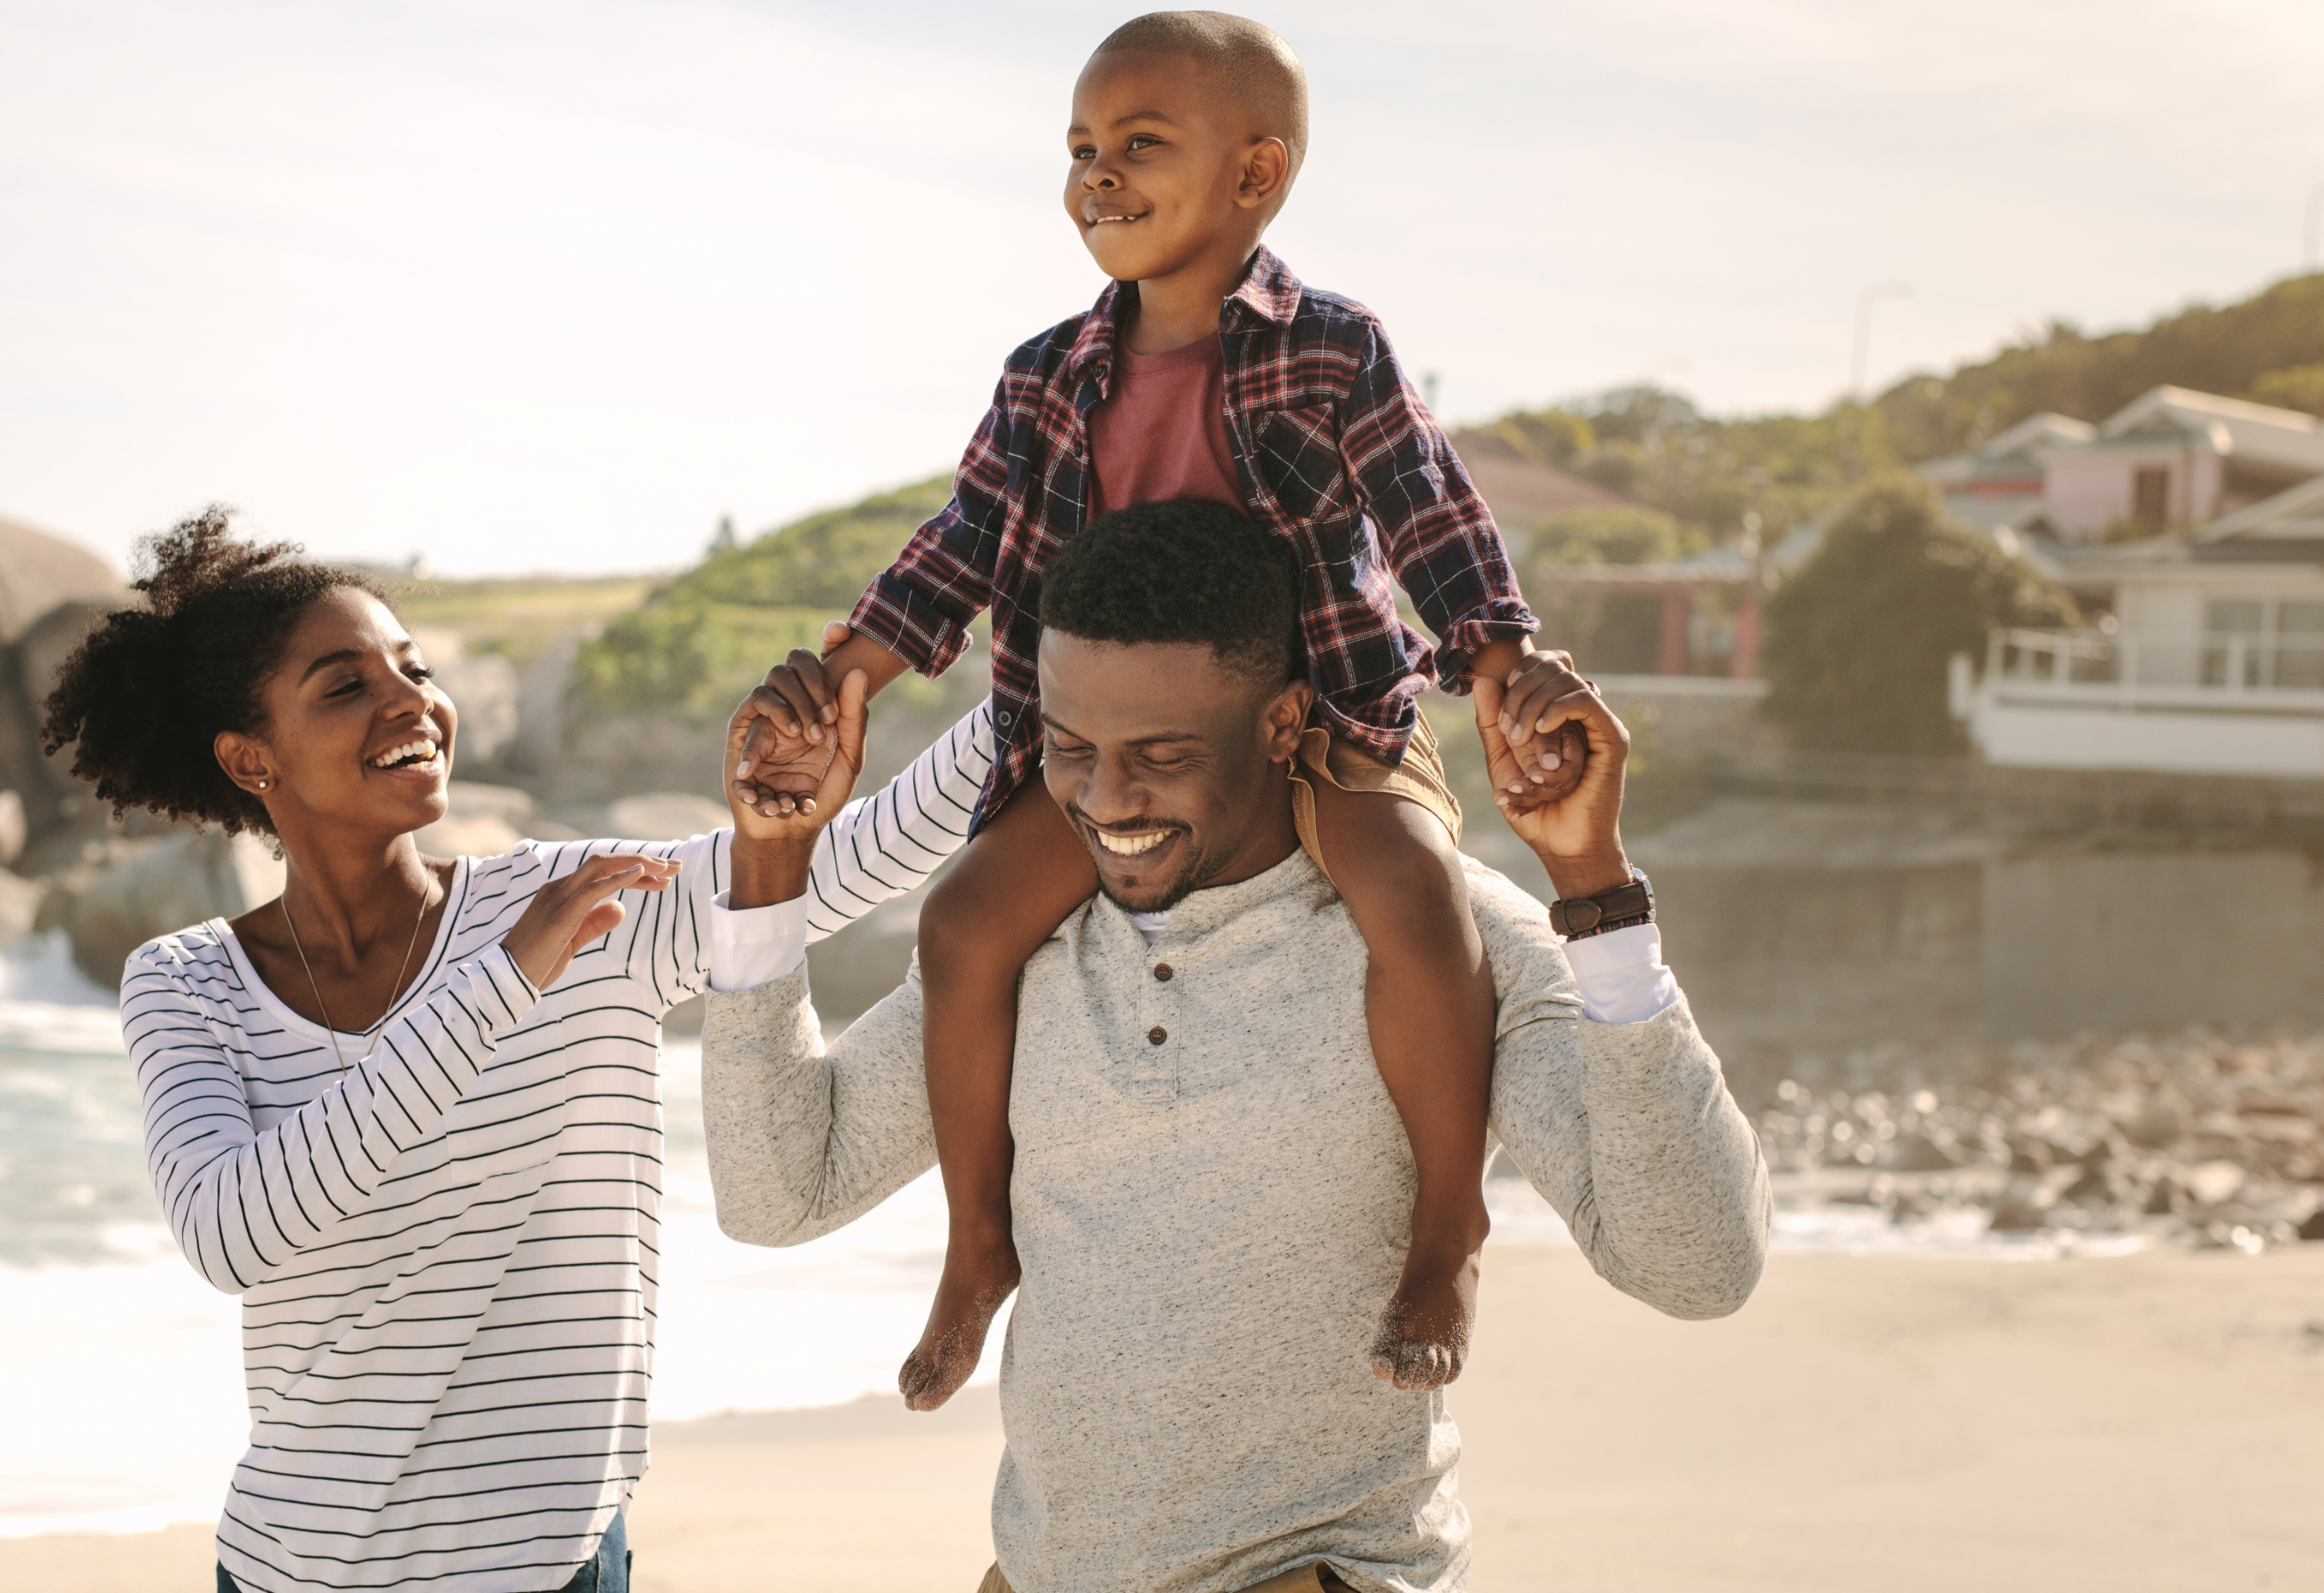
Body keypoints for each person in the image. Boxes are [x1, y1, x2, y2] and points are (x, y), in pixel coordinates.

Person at [731, 10, 1594, 1409]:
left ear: (1257, 175)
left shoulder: (1330, 349)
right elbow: (959, 542)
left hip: (1320, 720)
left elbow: (1429, 513)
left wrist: (1497, 656)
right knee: (959, 926)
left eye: (1141, 144)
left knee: (1417, 902)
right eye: (1080, 149)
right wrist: (855, 668)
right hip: (1110, 753)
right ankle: (975, 1246)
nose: (1098, 176)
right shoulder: (1046, 372)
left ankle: (1448, 1230)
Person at [702, 501, 1768, 1593]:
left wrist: (1592, 886)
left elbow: (1697, 1268)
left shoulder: (1444, 943)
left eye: (1162, 754)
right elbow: (780, 1193)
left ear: (1279, 722)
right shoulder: (1017, 946)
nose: (1106, 799)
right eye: (1072, 749)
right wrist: (772, 864)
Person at [38, 511, 1001, 1593]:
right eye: (345, 685)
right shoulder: (187, 983)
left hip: (544, 1568)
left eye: (414, 668)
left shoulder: (578, 903)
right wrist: (501, 981)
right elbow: (234, 1234)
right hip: (289, 1569)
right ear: (249, 757)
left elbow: (849, 856)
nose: (411, 703)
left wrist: (1053, 676)